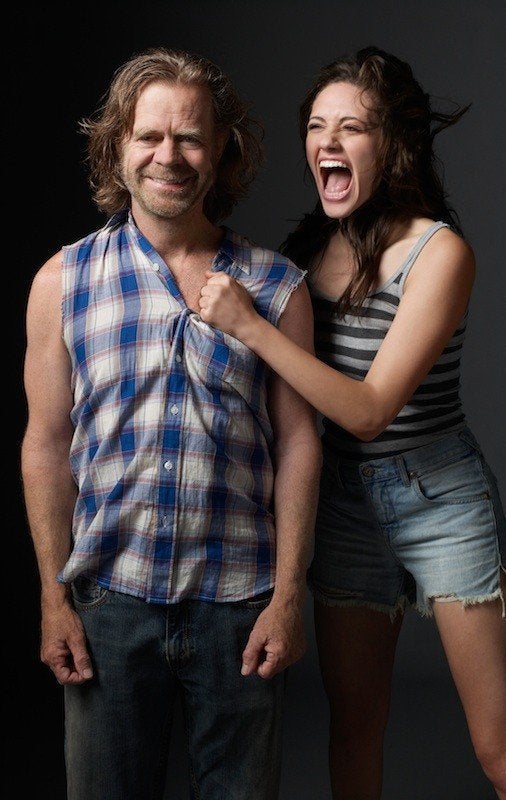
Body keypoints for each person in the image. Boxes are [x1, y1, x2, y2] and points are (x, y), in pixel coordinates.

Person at [198, 46, 506, 799]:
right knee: (354, 731)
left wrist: (250, 326)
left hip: (441, 501)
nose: (326, 144)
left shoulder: (439, 253)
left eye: (351, 129)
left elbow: (368, 411)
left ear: (392, 146)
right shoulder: (306, 250)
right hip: (341, 508)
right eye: (317, 127)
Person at [21, 46, 321, 800]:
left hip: (239, 610)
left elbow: (298, 443)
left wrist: (288, 597)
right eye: (149, 136)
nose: (169, 156)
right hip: (108, 610)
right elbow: (47, 445)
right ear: (116, 145)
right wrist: (53, 598)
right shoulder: (63, 281)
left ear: (221, 149)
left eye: (189, 137)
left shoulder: (275, 286)